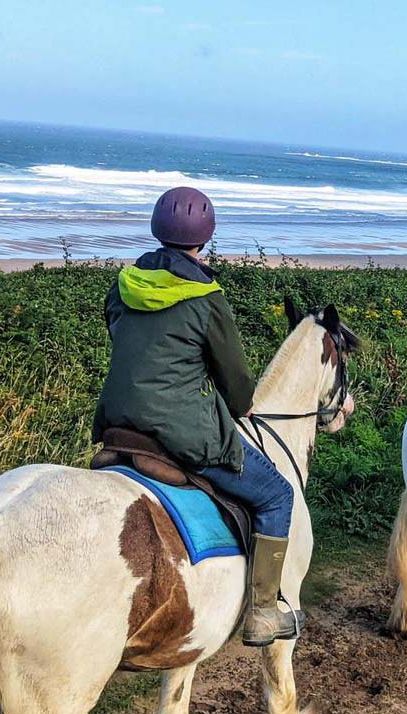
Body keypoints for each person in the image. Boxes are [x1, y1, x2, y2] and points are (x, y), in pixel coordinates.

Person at [93, 186, 301, 647]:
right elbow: (235, 381)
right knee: (276, 496)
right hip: (182, 432)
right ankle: (264, 613)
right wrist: (240, 404)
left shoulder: (123, 285)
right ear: (204, 238)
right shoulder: (207, 297)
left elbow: (126, 339)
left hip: (118, 424)